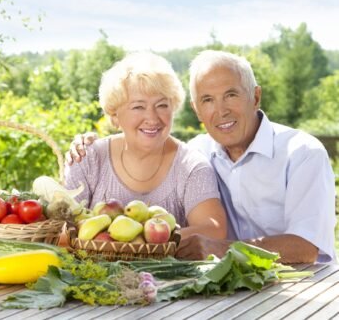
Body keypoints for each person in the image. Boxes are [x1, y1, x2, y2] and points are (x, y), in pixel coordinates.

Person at [67, 50, 337, 264]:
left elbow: (307, 248)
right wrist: (85, 144)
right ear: (197, 110)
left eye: (230, 95)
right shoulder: (201, 150)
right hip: (228, 288)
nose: (221, 111)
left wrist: (224, 249)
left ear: (255, 97)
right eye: (207, 100)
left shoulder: (302, 154)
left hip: (303, 289)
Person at [64, 52, 227, 241]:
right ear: (115, 115)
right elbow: (62, 228)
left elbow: (214, 230)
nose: (152, 118)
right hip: (91, 270)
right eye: (138, 107)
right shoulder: (88, 157)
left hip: (167, 271)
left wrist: (138, 240)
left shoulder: (191, 165)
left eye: (162, 105)